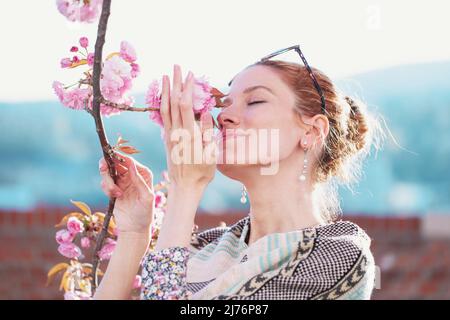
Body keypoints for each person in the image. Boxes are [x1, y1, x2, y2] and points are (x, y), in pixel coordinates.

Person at [93, 49, 380, 299]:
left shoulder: (336, 257)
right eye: (226, 104)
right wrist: (134, 235)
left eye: (255, 101)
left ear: (312, 131)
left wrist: (185, 188)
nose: (223, 117)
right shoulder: (204, 248)